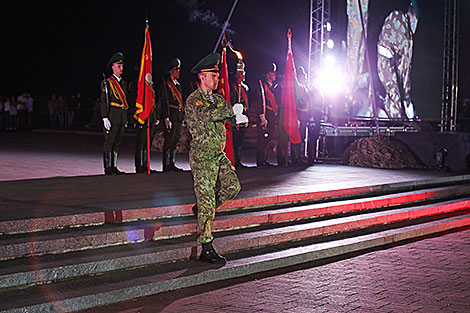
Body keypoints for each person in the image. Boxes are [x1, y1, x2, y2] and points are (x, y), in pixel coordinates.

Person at [185, 52, 241, 264]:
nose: (217, 79)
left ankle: (202, 207)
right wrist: (224, 111)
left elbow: (227, 110)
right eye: (213, 75)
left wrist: (235, 116)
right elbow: (207, 115)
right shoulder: (193, 101)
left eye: (217, 76)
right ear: (202, 77)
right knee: (207, 202)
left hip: (218, 155)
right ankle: (206, 247)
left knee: (233, 186)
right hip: (202, 157)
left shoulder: (217, 99)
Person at [376, 0, 419, 119]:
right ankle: (394, 122)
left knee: (392, 93)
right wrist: (407, 101)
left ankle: (385, 113)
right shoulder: (407, 35)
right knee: (395, 97)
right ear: (413, 16)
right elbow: (405, 70)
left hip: (382, 58)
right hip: (384, 60)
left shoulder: (395, 15)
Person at [100, 52, 129, 175]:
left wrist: (125, 118)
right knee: (109, 142)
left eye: (122, 66)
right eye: (118, 66)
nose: (121, 68)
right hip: (112, 116)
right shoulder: (107, 83)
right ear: (113, 67)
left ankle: (114, 166)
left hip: (121, 117)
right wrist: (105, 117)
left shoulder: (123, 83)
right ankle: (108, 168)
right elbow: (104, 101)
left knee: (117, 142)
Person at [159, 58, 185, 172]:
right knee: (169, 140)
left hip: (178, 116)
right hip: (171, 116)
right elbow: (165, 102)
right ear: (171, 71)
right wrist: (166, 117)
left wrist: (183, 116)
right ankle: (166, 165)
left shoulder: (178, 85)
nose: (178, 72)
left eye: (179, 69)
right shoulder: (166, 85)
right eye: (176, 69)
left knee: (175, 140)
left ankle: (172, 163)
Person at [130, 68, 157, 174]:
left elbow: (153, 101)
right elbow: (134, 100)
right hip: (141, 116)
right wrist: (135, 117)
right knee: (141, 142)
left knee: (147, 142)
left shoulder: (150, 83)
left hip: (150, 117)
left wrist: (155, 116)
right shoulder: (136, 84)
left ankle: (146, 165)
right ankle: (139, 165)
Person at [256, 62, 279, 167]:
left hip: (272, 115)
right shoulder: (262, 86)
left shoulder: (273, 87)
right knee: (262, 138)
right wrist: (262, 116)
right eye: (272, 72)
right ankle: (260, 160)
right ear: (267, 74)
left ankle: (264, 159)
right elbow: (260, 101)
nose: (274, 74)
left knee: (268, 137)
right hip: (265, 114)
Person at [230, 61, 249, 168]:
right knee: (234, 140)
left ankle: (239, 160)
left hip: (243, 116)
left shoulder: (245, 88)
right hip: (234, 115)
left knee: (240, 140)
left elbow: (247, 103)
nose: (241, 76)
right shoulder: (232, 87)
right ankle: (233, 160)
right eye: (239, 74)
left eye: (242, 73)